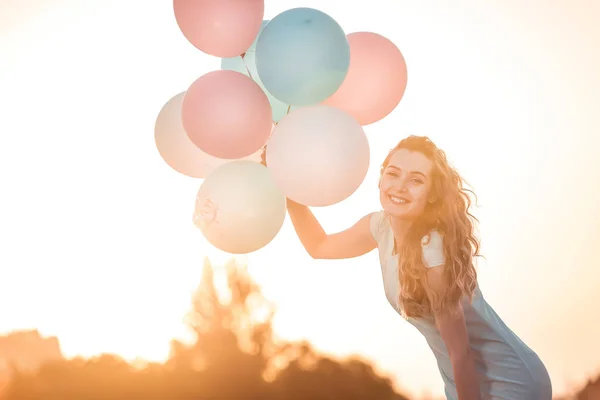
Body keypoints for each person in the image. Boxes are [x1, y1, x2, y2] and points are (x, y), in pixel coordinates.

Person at [265, 135, 552, 399]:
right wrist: (286, 184)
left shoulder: (432, 256)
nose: (400, 186)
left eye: (416, 180)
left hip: (508, 379)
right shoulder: (380, 226)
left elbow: (461, 352)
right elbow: (320, 246)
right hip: (462, 379)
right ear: (380, 179)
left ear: (432, 194)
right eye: (393, 173)